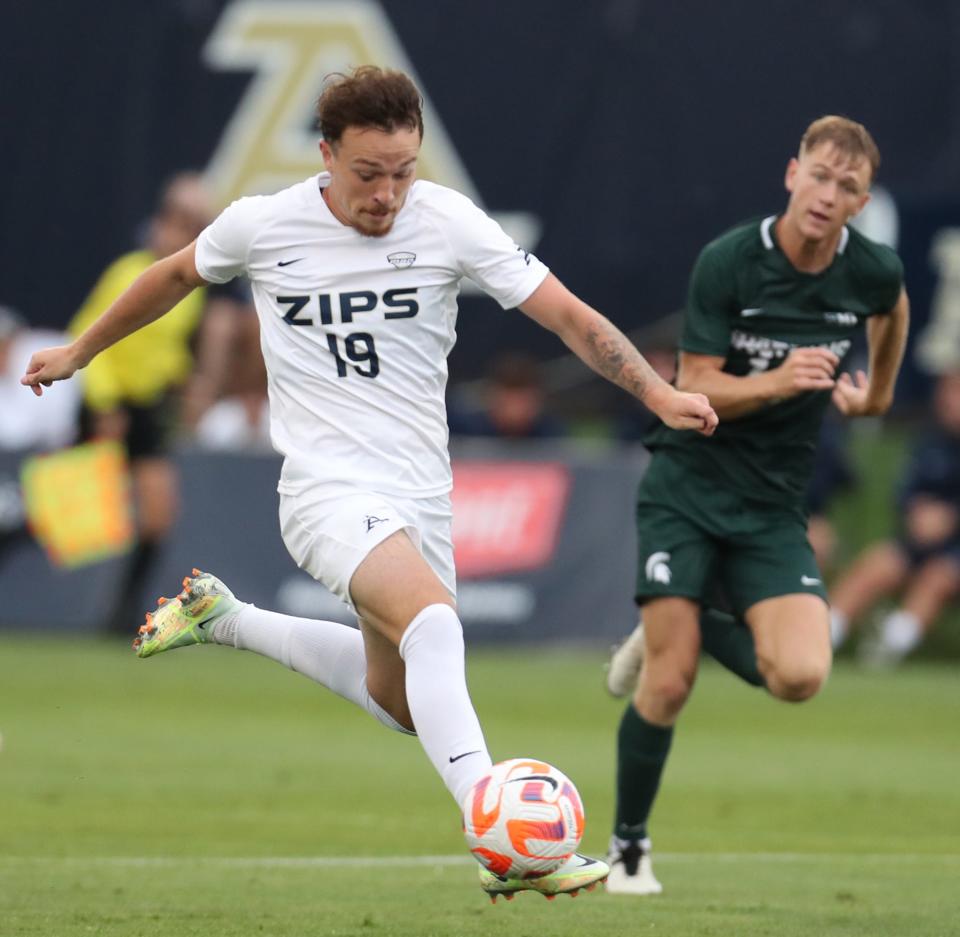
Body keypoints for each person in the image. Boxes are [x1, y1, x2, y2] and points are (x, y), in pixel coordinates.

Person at [22, 66, 717, 901]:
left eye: (403, 171)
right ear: (326, 154)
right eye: (367, 173)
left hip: (421, 494)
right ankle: (499, 831)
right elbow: (169, 277)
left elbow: (568, 315)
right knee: (434, 623)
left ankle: (227, 617)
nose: (387, 193)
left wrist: (659, 391)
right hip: (324, 490)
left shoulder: (449, 223)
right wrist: (79, 351)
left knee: (401, 702)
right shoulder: (265, 225)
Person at [602, 116, 909, 895]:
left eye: (847, 185)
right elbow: (693, 383)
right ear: (791, 173)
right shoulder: (731, 260)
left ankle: (686, 617)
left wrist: (873, 395)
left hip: (773, 501)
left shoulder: (869, 269)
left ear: (861, 200)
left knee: (801, 674)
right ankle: (629, 846)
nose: (827, 193)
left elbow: (893, 307)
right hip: (689, 484)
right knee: (668, 682)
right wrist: (781, 379)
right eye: (819, 174)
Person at [829, 370, 960, 665]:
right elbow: (906, 491)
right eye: (950, 392)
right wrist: (916, 512)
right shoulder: (930, 440)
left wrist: (951, 518)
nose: (953, 401)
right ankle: (823, 638)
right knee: (879, 563)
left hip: (954, 550)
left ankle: (887, 650)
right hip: (918, 541)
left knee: (939, 576)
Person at [447, 351, 567, 440]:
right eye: (509, 401)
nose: (515, 410)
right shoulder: (467, 433)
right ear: (491, 397)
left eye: (522, 401)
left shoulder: (552, 437)